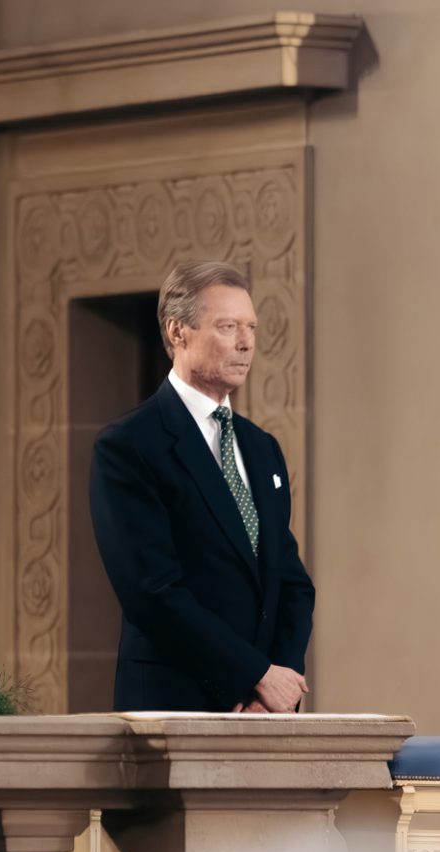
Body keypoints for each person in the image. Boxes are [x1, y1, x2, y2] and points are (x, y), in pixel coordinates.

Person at [90, 261, 314, 713]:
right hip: (175, 704)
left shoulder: (262, 448)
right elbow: (153, 592)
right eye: (228, 327)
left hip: (264, 713)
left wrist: (275, 689)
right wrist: (253, 675)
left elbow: (292, 583)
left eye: (250, 327)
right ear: (177, 331)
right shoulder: (129, 445)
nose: (247, 343)